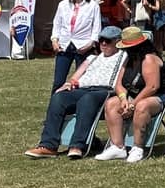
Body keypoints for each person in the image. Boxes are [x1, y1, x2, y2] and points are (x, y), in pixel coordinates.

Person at [26, 25, 128, 159]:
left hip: (106, 91)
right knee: (59, 97)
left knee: (88, 99)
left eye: (108, 41)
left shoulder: (124, 57)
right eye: (101, 40)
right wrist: (68, 84)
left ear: (117, 42)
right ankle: (48, 145)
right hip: (83, 89)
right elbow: (76, 76)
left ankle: (77, 145)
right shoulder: (92, 58)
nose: (103, 43)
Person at [96, 27, 165, 163]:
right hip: (139, 95)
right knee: (112, 103)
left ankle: (138, 148)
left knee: (142, 106)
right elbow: (119, 85)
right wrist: (123, 99)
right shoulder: (129, 60)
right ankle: (117, 147)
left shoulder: (149, 58)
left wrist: (132, 105)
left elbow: (152, 87)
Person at [50, 0, 102, 92]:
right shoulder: (62, 5)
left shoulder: (93, 6)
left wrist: (90, 44)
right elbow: (57, 24)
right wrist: (54, 40)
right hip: (65, 45)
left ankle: (77, 107)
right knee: (58, 81)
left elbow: (96, 28)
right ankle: (55, 107)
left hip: (83, 46)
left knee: (81, 81)